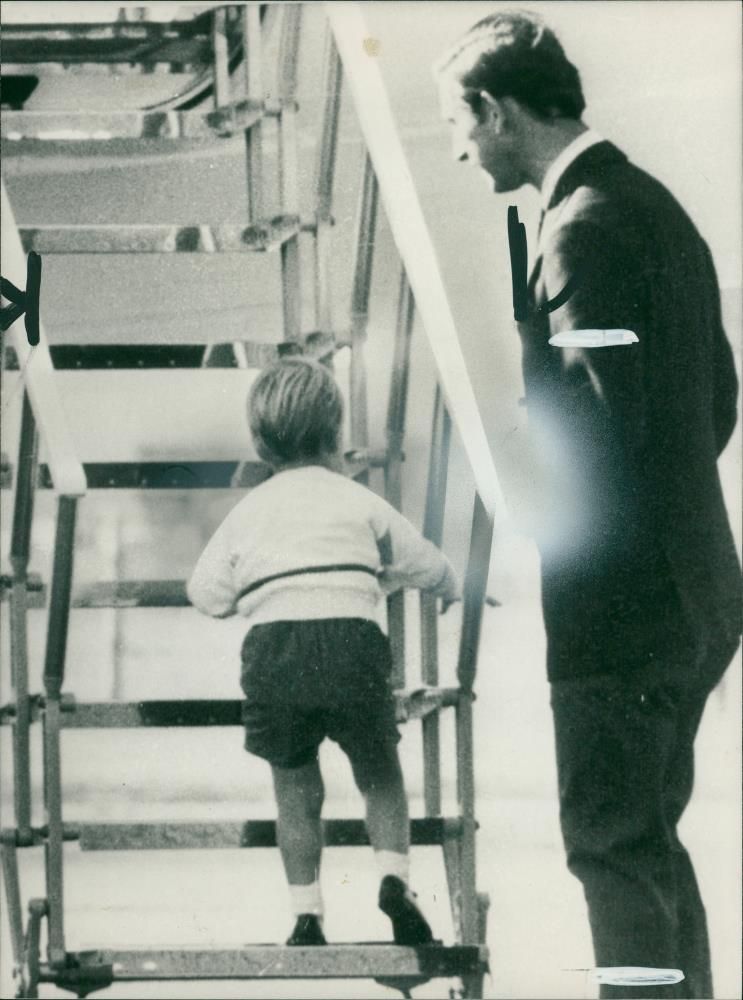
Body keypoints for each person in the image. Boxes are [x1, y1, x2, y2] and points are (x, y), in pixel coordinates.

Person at [435, 10, 741, 999]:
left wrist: (513, 495)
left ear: (495, 108)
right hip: (690, 591)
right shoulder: (652, 209)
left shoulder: (581, 230)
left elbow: (599, 438)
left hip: (622, 610)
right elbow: (714, 402)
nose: (457, 145)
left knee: (608, 844)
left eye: (459, 122)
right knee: (642, 841)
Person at [188, 356, 461, 947]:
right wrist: (450, 585)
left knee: (295, 788)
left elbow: (205, 593)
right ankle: (393, 878)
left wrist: (252, 595)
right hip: (351, 644)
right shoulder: (355, 500)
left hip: (276, 651)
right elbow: (419, 557)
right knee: (379, 771)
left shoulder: (249, 511)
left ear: (260, 444)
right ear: (336, 435)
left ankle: (306, 914)